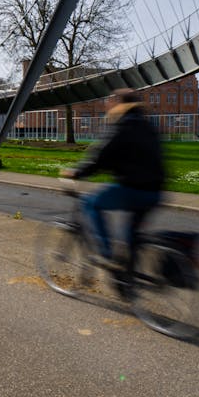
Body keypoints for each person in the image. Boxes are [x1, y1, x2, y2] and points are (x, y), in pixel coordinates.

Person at [60, 89, 165, 295]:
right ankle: (125, 283)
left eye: (109, 101)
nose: (107, 105)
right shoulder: (148, 125)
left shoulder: (121, 124)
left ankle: (107, 256)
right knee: (130, 238)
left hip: (132, 188)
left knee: (91, 203)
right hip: (155, 191)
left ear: (118, 103)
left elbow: (101, 157)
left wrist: (76, 172)